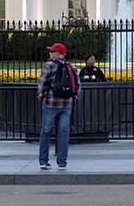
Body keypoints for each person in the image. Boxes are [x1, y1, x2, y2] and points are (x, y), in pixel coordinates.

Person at [37, 42, 81, 171]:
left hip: (51, 103)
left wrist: (41, 97)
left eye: (52, 51)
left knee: (46, 131)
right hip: (67, 105)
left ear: (57, 53)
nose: (50, 53)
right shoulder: (71, 67)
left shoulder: (49, 65)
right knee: (63, 133)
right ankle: (62, 162)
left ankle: (43, 161)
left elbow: (42, 84)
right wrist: (73, 99)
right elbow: (78, 85)